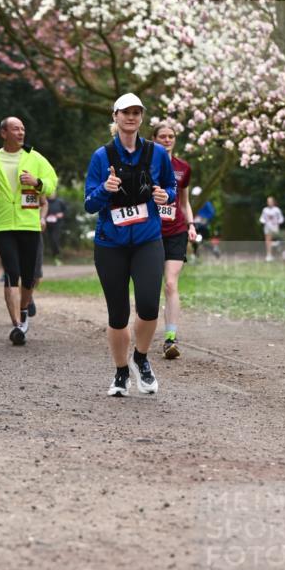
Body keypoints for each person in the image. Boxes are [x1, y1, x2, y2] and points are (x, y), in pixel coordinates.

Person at [85, 94, 176, 396]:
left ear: (141, 118)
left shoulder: (157, 153)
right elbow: (89, 203)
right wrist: (104, 189)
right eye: (126, 112)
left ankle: (141, 357)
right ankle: (121, 372)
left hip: (148, 239)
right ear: (115, 116)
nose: (131, 117)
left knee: (149, 306)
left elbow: (170, 187)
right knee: (118, 313)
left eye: (137, 112)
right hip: (111, 243)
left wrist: (167, 196)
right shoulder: (102, 156)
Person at [0, 117, 57, 346]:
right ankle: (17, 325)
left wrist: (37, 181)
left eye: (22, 129)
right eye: (15, 129)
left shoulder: (35, 157)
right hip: (3, 224)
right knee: (11, 272)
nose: (21, 133)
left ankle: (23, 309)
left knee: (29, 276)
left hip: (29, 224)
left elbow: (52, 183)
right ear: (3, 133)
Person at [151, 121, 197, 360]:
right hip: (149, 232)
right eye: (163, 136)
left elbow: (184, 201)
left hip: (176, 231)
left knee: (170, 284)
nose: (167, 140)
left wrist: (191, 225)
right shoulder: (146, 165)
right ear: (154, 139)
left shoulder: (183, 168)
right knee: (148, 287)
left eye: (171, 136)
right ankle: (145, 331)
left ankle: (170, 338)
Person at [45, 194, 68, 264]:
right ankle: (51, 257)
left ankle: (57, 256)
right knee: (48, 241)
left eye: (53, 193)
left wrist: (61, 214)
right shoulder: (45, 201)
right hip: (46, 224)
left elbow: (66, 211)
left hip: (57, 224)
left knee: (54, 239)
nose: (51, 194)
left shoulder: (60, 202)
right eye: (50, 193)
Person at [260, 196, 285, 261]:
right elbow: (262, 218)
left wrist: (277, 222)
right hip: (267, 227)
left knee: (277, 242)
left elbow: (281, 219)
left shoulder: (277, 209)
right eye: (268, 201)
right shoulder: (265, 209)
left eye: (271, 201)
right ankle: (269, 255)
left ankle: (280, 253)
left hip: (275, 228)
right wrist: (264, 221)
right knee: (268, 241)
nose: (269, 202)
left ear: (273, 202)